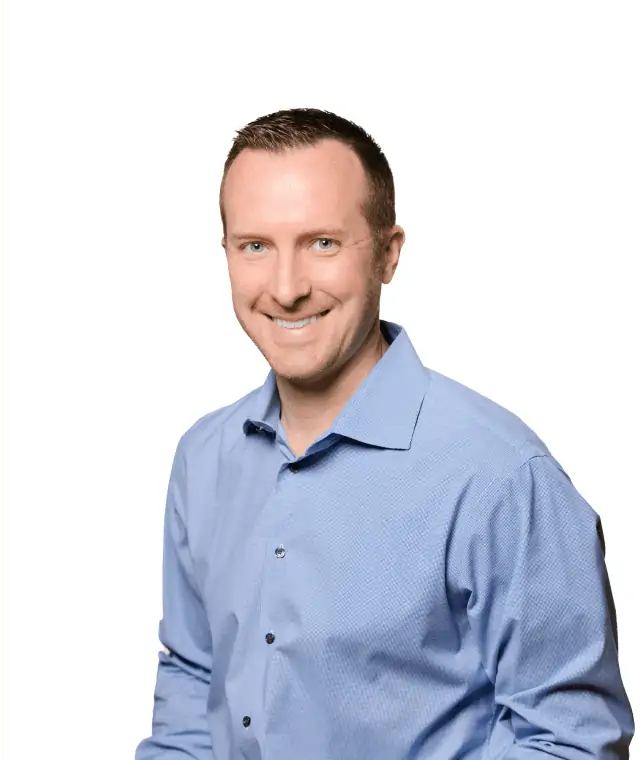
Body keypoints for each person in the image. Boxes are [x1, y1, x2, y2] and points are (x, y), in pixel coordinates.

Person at [135, 108, 634, 758]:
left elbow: (571, 742)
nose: (286, 288)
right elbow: (195, 680)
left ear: (388, 255)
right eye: (255, 245)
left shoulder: (502, 476)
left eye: (323, 242)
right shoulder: (203, 458)